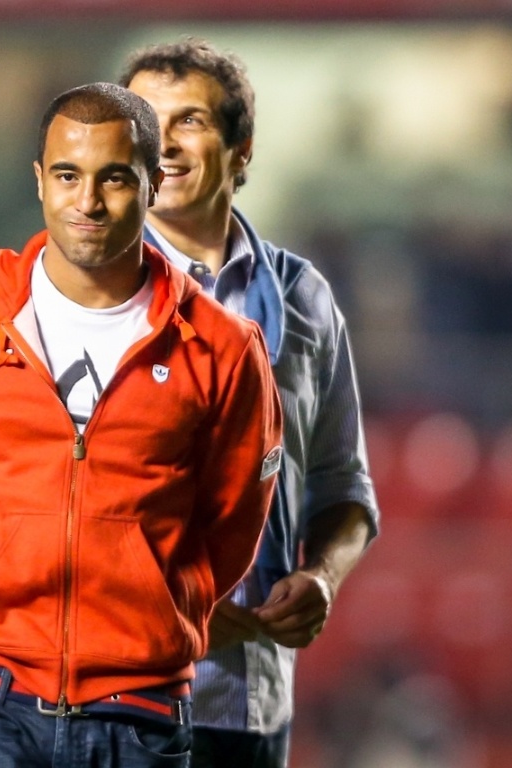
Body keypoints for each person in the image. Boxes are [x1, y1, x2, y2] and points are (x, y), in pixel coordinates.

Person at [0, 81, 284, 768]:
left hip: (143, 708)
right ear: (39, 181)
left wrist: (151, 608)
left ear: (155, 184)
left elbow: (233, 525)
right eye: (67, 175)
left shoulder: (224, 348)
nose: (87, 201)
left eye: (114, 178)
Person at [119, 39, 381, 768]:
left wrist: (323, 576)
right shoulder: (72, 296)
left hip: (249, 708)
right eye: (144, 121)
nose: (163, 143)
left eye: (190, 121)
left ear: (242, 150)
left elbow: (345, 488)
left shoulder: (304, 301)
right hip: (106, 704)